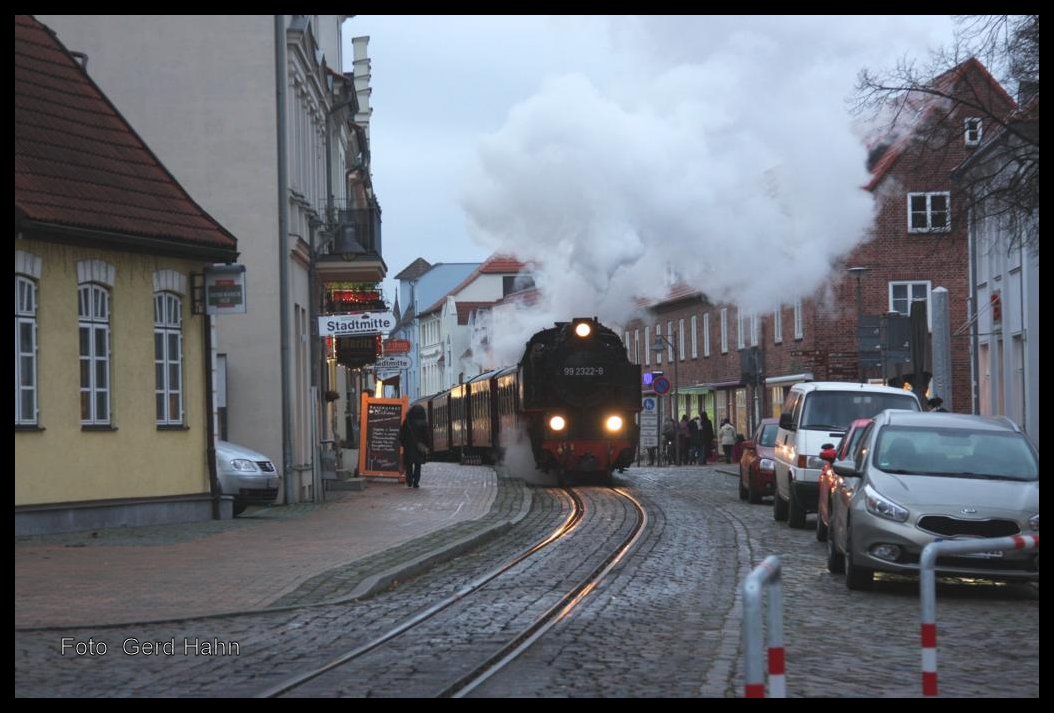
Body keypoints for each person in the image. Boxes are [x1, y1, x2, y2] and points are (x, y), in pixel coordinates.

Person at [400, 404, 430, 488]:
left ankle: (409, 481)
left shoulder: (407, 422)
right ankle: (416, 482)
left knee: (409, 464)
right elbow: (426, 436)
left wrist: (403, 443)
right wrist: (427, 445)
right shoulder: (423, 423)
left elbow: (402, 434)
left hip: (408, 447)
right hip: (419, 447)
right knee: (418, 465)